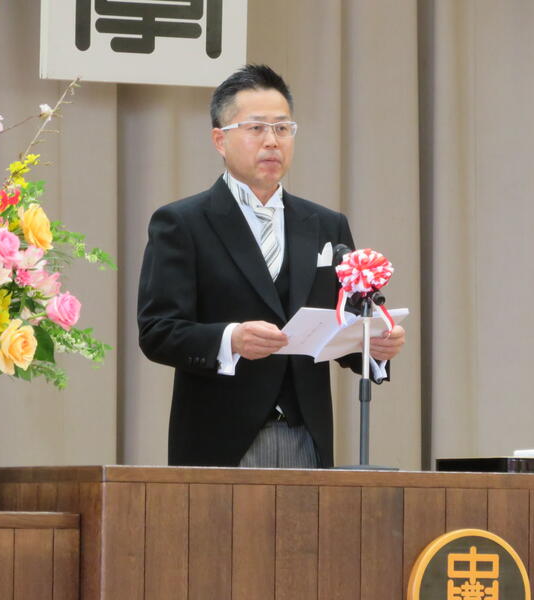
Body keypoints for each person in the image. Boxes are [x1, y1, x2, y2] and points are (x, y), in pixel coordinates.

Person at [137, 64, 405, 468]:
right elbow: (157, 331)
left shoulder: (326, 224)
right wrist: (231, 339)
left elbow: (343, 322)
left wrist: (375, 345)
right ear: (220, 140)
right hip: (220, 440)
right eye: (256, 128)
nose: (271, 141)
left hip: (307, 437)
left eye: (282, 128)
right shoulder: (182, 223)